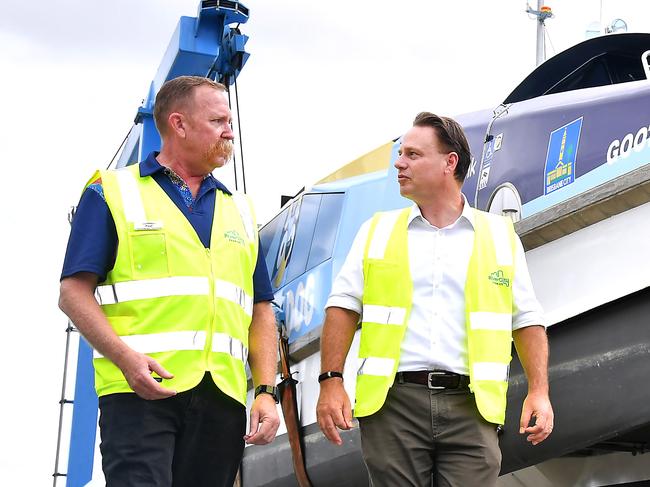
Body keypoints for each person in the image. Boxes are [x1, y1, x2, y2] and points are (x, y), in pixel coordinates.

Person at [59, 75, 280, 487]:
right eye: (217, 121)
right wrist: (126, 361)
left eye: (229, 121)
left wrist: (265, 390)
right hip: (139, 392)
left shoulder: (242, 211)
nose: (229, 131)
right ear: (178, 124)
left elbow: (261, 308)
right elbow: (72, 293)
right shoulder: (110, 193)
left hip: (221, 398)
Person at [316, 112, 553, 486]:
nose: (399, 162)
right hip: (393, 407)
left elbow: (526, 319)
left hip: (472, 409)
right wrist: (330, 380)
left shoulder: (500, 236)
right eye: (401, 153)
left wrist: (539, 391)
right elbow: (342, 306)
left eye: (412, 154)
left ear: (450, 162)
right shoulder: (376, 231)